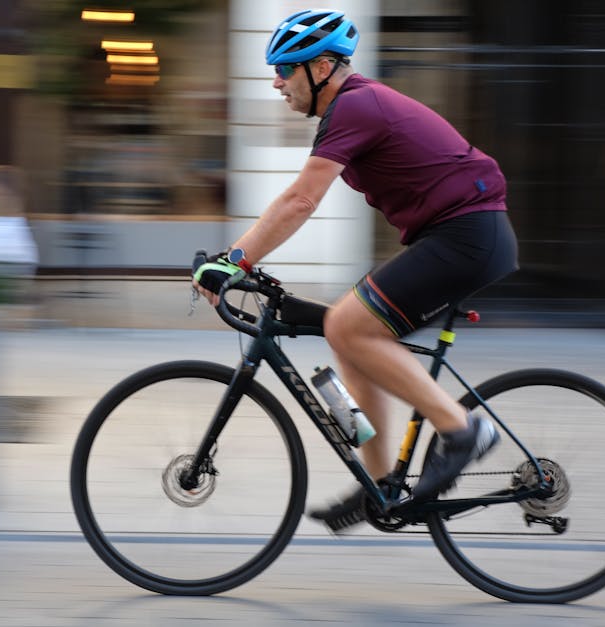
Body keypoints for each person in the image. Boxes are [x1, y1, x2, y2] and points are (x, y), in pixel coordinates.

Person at [193, 9, 519, 532]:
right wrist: (237, 258)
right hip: (457, 236)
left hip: (468, 236)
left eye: (285, 69)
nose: (277, 82)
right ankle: (380, 485)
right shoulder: (351, 107)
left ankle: (463, 431)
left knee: (347, 325)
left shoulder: (356, 105)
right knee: (347, 333)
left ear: (322, 68)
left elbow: (301, 200)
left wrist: (234, 260)